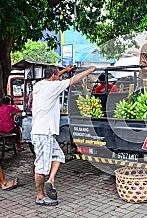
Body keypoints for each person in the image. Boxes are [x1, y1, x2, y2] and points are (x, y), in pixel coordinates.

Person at [31, 64, 96, 206]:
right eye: (57, 75)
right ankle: (40, 196)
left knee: (59, 156)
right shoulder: (53, 87)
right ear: (54, 77)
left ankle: (51, 180)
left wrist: (64, 70)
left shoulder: (38, 85)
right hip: (44, 133)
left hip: (42, 132)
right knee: (41, 166)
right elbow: (73, 80)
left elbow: (56, 75)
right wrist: (89, 71)